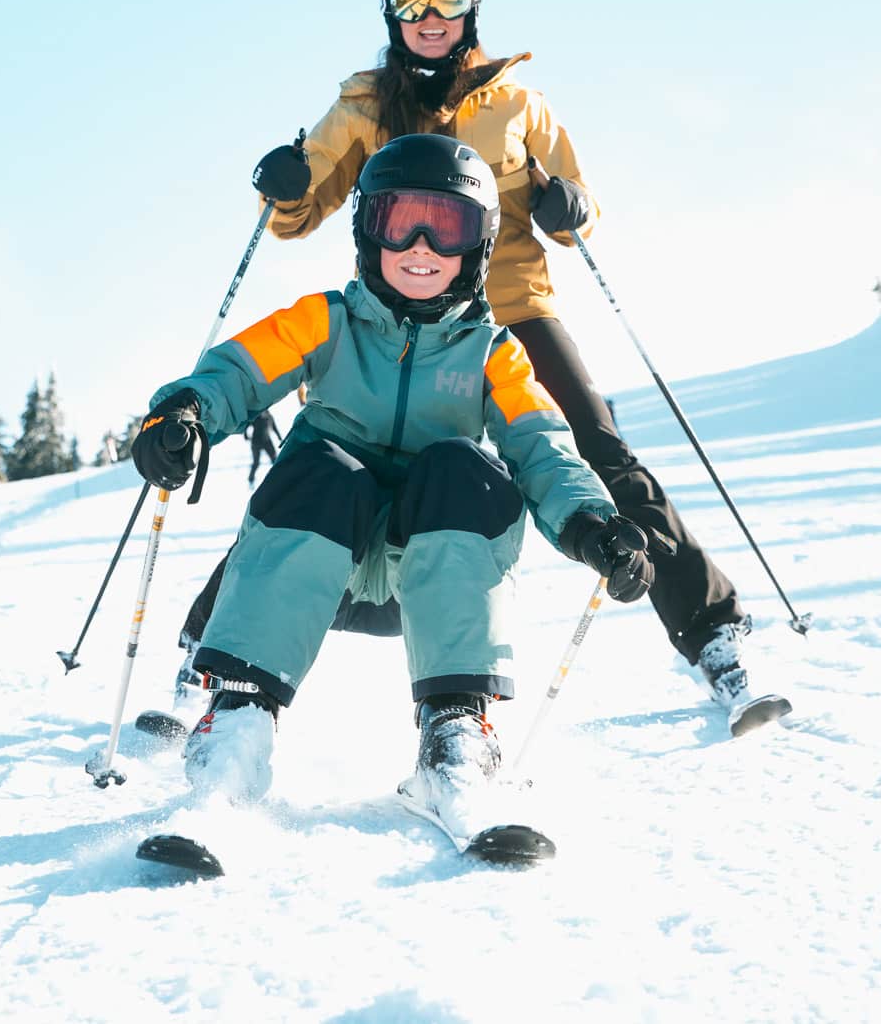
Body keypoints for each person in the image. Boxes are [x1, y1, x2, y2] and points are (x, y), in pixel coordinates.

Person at [172, 0, 774, 727]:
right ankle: (205, 657)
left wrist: (569, 209)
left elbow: (580, 204)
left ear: (472, 9)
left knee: (596, 452)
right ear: (390, 14)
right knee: (334, 454)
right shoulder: (361, 109)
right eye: (413, 3)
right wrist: (282, 186)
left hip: (512, 311)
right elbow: (297, 213)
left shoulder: (520, 107)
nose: (430, 18)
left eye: (447, 1)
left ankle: (713, 640)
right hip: (396, 319)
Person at [131, 136, 666, 828]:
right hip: (325, 558)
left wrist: (593, 523)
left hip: (427, 572)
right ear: (367, 230)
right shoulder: (324, 321)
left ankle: (455, 740)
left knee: (465, 470)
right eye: (399, 222)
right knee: (319, 463)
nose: (420, 245)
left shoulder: (493, 354)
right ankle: (238, 728)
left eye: (445, 227)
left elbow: (542, 447)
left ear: (476, 246)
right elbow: (236, 371)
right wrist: (184, 415)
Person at [245, 407, 282, 484]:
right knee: (256, 462)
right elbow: (246, 426)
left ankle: (278, 476)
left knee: (274, 460)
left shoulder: (269, 416)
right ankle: (251, 479)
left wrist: (279, 438)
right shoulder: (255, 416)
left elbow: (274, 428)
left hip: (267, 441)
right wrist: (246, 436)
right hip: (256, 442)